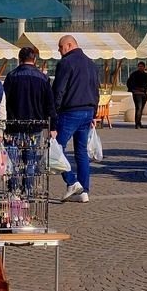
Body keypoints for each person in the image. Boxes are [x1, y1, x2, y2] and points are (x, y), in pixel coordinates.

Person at [51, 35, 101, 202]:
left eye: (60, 47)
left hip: (70, 111)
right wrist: (93, 113)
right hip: (87, 111)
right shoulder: (91, 64)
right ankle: (84, 191)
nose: (59, 50)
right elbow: (96, 91)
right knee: (81, 152)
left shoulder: (66, 63)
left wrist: (53, 113)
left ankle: (72, 181)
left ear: (69, 45)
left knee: (56, 148)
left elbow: (59, 90)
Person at [4, 46, 52, 197]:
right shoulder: (43, 78)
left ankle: (13, 190)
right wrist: (52, 125)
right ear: (35, 59)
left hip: (13, 125)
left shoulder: (12, 76)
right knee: (30, 161)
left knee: (13, 162)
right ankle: (29, 190)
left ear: (19, 59)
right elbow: (50, 105)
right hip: (35, 126)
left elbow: (4, 101)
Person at [126, 62, 147, 128]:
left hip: (143, 94)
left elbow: (146, 84)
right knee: (138, 108)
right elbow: (129, 82)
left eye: (142, 66)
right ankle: (137, 124)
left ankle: (139, 122)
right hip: (136, 93)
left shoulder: (146, 75)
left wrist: (143, 89)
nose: (141, 68)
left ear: (144, 67)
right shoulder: (134, 74)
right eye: (139, 66)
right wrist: (133, 89)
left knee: (140, 109)